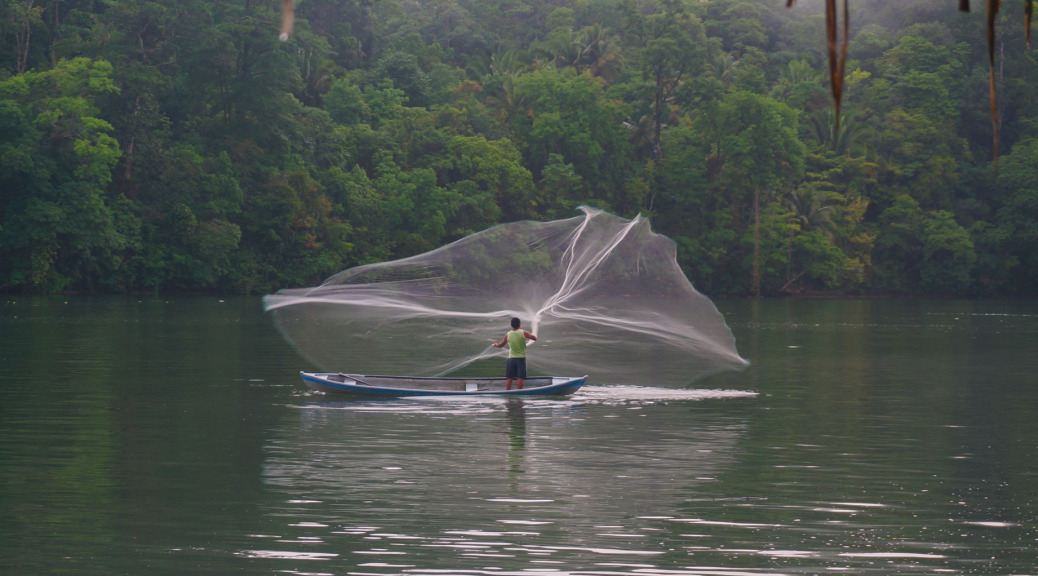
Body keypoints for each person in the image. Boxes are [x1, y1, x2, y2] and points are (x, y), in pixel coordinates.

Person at [493, 317, 536, 390]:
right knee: (520, 378)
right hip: (521, 359)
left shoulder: (508, 334)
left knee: (509, 378)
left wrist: (495, 344)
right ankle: (519, 393)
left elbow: (501, 345)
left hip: (511, 359)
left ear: (511, 325)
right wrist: (533, 335)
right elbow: (534, 338)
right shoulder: (523, 332)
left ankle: (507, 392)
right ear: (519, 325)